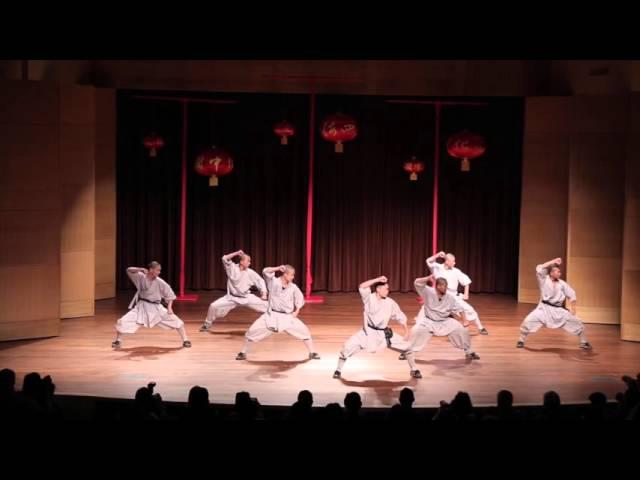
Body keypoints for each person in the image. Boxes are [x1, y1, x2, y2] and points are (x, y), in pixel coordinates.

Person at [333, 276, 421, 379]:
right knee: (347, 347)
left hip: (384, 334)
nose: (388, 291)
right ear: (378, 289)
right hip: (368, 332)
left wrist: (406, 331)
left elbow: (400, 316)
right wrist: (377, 280)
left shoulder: (390, 302)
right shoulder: (369, 298)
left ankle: (414, 369)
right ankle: (338, 370)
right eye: (386, 289)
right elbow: (361, 286)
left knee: (408, 347)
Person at [236, 265, 320, 360]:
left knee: (304, 331)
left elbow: (300, 300)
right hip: (271, 315)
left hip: (287, 317)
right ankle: (243, 352)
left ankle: (312, 352)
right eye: (291, 275)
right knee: (252, 331)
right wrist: (277, 268)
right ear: (285, 274)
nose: (293, 277)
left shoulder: (293, 287)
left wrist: (297, 311)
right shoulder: (273, 282)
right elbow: (265, 272)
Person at [517, 258, 591, 350]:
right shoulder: (544, 280)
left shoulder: (562, 284)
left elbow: (572, 294)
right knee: (529, 321)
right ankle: (521, 340)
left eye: (560, 272)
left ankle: (584, 342)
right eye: (558, 272)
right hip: (543, 309)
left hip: (558, 310)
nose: (560, 273)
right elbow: (539, 268)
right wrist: (553, 261)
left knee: (576, 322)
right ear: (551, 273)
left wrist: (573, 308)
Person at [402, 275, 480, 361]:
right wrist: (428, 278)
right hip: (428, 321)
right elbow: (417, 282)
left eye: (446, 286)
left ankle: (468, 352)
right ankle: (407, 352)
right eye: (442, 286)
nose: (445, 288)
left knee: (462, 330)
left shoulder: (450, 297)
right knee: (416, 330)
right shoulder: (428, 292)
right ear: (437, 286)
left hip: (445, 321)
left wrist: (465, 320)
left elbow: (460, 309)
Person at [112, 262, 191, 349]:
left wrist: (169, 308)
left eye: (159, 270)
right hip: (141, 306)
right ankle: (118, 341)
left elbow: (171, 295)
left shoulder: (160, 282)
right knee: (124, 321)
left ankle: (185, 340)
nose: (159, 272)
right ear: (151, 270)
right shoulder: (140, 277)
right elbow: (129, 270)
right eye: (157, 270)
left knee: (176, 321)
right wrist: (141, 269)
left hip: (156, 307)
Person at [419, 251, 487, 334]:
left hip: (453, 296)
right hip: (439, 296)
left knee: (469, 310)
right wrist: (438, 255)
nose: (454, 263)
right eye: (453, 261)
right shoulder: (437, 267)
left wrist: (466, 294)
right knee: (427, 310)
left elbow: (466, 282)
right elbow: (428, 261)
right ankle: (425, 328)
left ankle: (480, 327)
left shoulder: (456, 271)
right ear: (447, 261)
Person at [200, 249, 268, 332]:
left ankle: (272, 323)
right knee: (213, 306)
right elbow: (224, 258)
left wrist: (264, 293)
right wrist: (236, 253)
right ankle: (207, 323)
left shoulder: (250, 272)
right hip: (231, 298)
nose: (250, 263)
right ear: (242, 262)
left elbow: (260, 281)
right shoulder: (231, 268)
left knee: (267, 306)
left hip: (246, 297)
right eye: (248, 261)